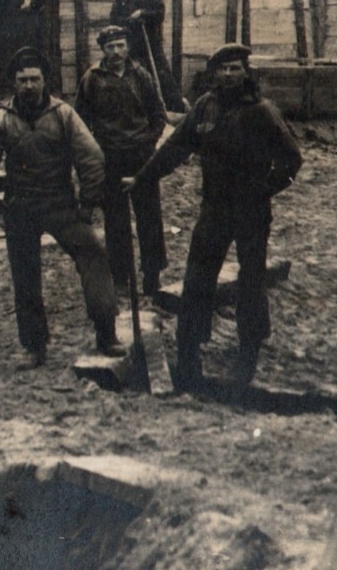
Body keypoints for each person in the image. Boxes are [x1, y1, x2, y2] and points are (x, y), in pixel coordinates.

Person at [127, 43, 302, 389]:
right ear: (214, 73)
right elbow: (176, 147)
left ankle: (247, 353)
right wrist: (142, 177)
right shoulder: (206, 108)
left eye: (235, 69)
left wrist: (265, 189)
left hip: (251, 211)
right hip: (214, 208)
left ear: (246, 73)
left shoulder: (262, 111)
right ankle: (189, 354)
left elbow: (291, 159)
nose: (228, 75)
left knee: (251, 282)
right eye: (222, 69)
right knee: (197, 280)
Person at [0, 47, 123, 368]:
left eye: (34, 79)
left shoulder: (63, 115)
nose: (28, 86)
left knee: (93, 253)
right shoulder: (2, 119)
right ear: (14, 83)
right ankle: (34, 346)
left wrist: (87, 203)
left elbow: (91, 158)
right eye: (22, 80)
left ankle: (106, 332)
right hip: (20, 207)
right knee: (25, 276)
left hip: (60, 204)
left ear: (45, 81)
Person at [76, 24, 168, 296]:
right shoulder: (92, 78)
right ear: (102, 49)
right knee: (116, 220)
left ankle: (152, 273)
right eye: (110, 47)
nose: (116, 52)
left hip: (141, 157)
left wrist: (148, 142)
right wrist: (96, 149)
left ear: (128, 46)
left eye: (121, 45)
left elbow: (158, 114)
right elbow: (81, 121)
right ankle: (121, 277)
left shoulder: (141, 75)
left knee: (150, 216)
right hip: (110, 157)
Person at [108, 0, 184, 112]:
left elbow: (159, 14)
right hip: (130, 43)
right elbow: (114, 19)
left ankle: (172, 108)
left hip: (150, 40)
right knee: (133, 75)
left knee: (160, 74)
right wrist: (127, 22)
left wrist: (142, 14)